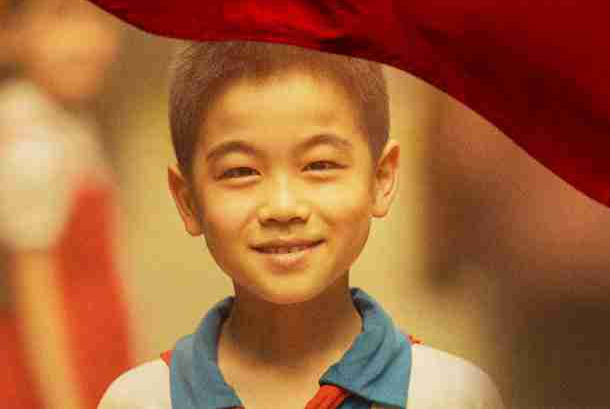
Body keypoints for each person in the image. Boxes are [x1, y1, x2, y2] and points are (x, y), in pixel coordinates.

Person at [98, 40, 504, 409]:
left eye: (319, 164)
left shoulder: (452, 396)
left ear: (381, 179)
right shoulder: (140, 401)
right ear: (187, 200)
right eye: (240, 171)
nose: (283, 206)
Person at [0, 0, 135, 409]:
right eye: (63, 16)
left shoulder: (64, 122)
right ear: (10, 32)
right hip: (52, 377)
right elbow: (35, 297)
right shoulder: (28, 136)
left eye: (100, 16)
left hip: (90, 355)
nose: (90, 40)